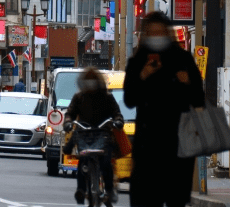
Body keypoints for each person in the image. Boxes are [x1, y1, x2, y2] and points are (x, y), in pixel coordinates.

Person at [124, 12, 205, 207]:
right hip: (148, 147)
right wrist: (143, 74)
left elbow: (199, 100)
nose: (156, 37)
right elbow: (129, 99)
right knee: (145, 199)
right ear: (145, 35)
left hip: (178, 146)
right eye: (152, 33)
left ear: (168, 34)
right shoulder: (138, 61)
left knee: (175, 199)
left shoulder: (183, 59)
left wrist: (187, 83)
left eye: (160, 33)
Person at [63, 67, 124, 205]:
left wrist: (118, 121)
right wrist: (68, 122)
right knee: (83, 160)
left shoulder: (107, 97)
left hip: (103, 134)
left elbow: (116, 113)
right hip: (84, 134)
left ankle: (109, 189)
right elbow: (70, 113)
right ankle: (80, 189)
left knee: (105, 161)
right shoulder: (79, 97)